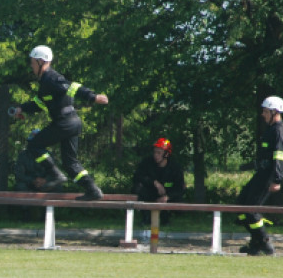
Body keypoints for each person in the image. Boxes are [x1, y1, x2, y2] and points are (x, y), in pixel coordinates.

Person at [10, 45, 108, 200]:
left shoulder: (51, 77)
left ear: (41, 61)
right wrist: (21, 108)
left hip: (65, 122)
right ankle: (92, 190)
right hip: (71, 123)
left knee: (34, 144)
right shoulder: (44, 83)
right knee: (70, 163)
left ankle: (55, 174)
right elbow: (40, 104)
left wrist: (92, 97)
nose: (31, 66)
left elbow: (72, 88)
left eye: (33, 63)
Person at [236, 96, 283, 256]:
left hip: (268, 177)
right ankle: (256, 241)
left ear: (274, 112)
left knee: (251, 210)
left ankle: (264, 243)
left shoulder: (278, 130)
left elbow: (280, 157)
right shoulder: (275, 129)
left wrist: (277, 179)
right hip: (262, 174)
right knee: (241, 205)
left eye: (265, 111)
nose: (263, 114)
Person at [132, 137, 185, 203]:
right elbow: (137, 177)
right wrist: (155, 183)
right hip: (149, 197)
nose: (155, 155)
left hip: (168, 200)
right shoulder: (147, 163)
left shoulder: (175, 168)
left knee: (178, 200)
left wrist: (167, 197)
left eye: (159, 153)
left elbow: (180, 188)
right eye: (154, 152)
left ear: (166, 154)